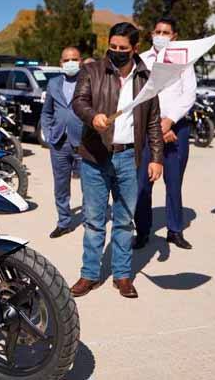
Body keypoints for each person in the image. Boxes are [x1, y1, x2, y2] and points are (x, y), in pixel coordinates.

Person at [70, 22, 163, 299]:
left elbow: (154, 121)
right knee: (94, 220)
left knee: (124, 221)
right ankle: (89, 274)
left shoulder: (147, 78)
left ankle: (122, 275)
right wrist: (91, 116)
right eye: (113, 47)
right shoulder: (92, 70)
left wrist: (156, 157)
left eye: (123, 48)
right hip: (95, 156)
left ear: (135, 48)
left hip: (128, 157)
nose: (117, 52)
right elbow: (79, 101)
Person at [134, 18, 196, 250]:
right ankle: (142, 231)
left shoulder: (183, 61)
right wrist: (158, 126)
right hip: (147, 130)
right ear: (152, 33)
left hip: (176, 128)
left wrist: (169, 122)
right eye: (157, 31)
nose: (161, 35)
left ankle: (175, 230)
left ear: (174, 36)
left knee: (174, 183)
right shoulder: (141, 60)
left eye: (166, 32)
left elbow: (189, 94)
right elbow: (140, 94)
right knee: (142, 184)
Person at [40, 47, 84, 239]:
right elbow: (47, 111)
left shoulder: (87, 82)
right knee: (61, 186)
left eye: (74, 59)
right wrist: (49, 134)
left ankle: (92, 222)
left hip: (83, 143)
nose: (71, 63)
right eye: (67, 60)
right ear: (61, 63)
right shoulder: (54, 83)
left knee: (90, 186)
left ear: (80, 61)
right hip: (59, 143)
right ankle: (64, 222)